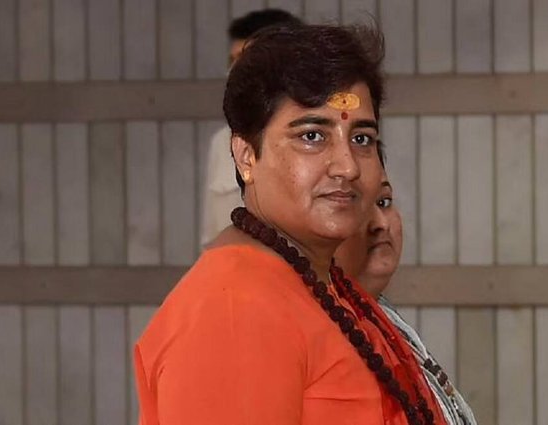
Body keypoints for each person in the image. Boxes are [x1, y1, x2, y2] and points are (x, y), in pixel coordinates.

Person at [135, 24, 446, 425]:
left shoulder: (326, 287)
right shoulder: (234, 311)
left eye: (362, 139)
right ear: (246, 156)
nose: (348, 166)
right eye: (312, 136)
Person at [336, 171, 478, 425]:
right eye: (354, 205)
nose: (380, 223)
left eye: (383, 202)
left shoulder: (387, 321)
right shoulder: (321, 331)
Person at [201, 8, 303, 248]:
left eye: (245, 59)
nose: (235, 71)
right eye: (232, 61)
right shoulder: (222, 141)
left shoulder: (319, 138)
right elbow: (210, 238)